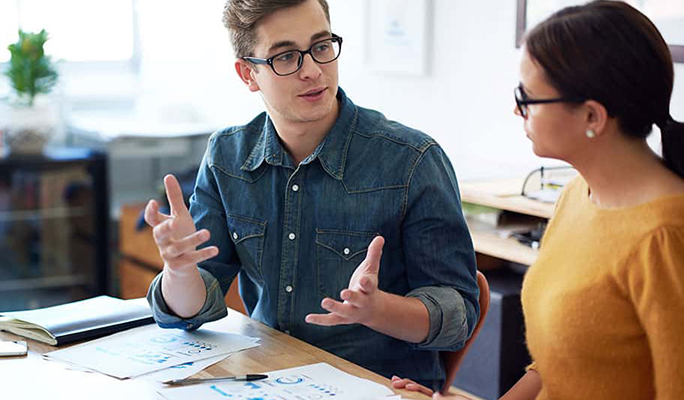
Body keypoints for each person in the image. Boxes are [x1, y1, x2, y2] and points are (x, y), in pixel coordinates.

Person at [142, 0, 479, 387]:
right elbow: (190, 313)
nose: (313, 71)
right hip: (268, 380)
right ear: (248, 74)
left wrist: (376, 309)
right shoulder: (227, 156)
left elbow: (460, 316)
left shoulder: (413, 161)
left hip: (379, 386)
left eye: (321, 47)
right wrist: (180, 271)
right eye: (286, 56)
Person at [392, 1, 684, 399]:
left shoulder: (665, 237)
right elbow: (558, 366)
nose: (517, 109)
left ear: (592, 117)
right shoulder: (576, 196)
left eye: (527, 97)